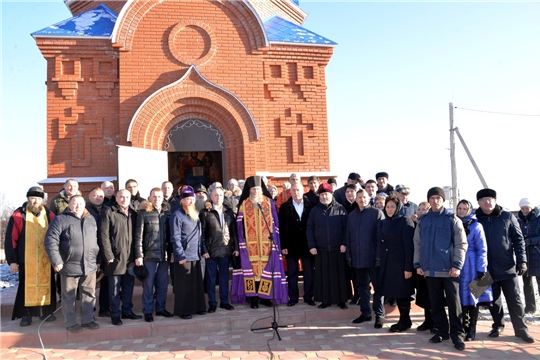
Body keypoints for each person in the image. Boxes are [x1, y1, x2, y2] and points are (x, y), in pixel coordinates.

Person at [475, 188, 534, 343]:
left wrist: (522, 261)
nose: (487, 202)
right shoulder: (475, 218)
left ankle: (521, 330)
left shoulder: (507, 216)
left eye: (490, 199)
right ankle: (497, 325)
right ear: (479, 203)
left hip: (507, 266)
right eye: (483, 200)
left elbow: (518, 240)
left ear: (495, 200)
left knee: (515, 299)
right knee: (493, 300)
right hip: (485, 269)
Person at [413, 187, 468, 351]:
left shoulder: (452, 219)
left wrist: (457, 265)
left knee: (454, 303)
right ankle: (441, 331)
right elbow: (417, 244)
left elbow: (461, 244)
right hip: (429, 270)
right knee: (435, 303)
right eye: (432, 198)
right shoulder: (423, 221)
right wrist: (418, 264)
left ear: (443, 200)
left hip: (449, 270)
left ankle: (457, 334)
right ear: (428, 200)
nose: (435, 201)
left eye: (438, 198)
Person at [231, 175, 288, 308]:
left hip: (266, 244)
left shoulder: (269, 202)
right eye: (253, 189)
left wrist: (275, 243)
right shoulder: (244, 204)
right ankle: (253, 298)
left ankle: (265, 297)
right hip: (250, 245)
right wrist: (242, 242)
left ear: (261, 189)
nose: (255, 191)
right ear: (249, 190)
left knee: (265, 270)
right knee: (252, 270)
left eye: (257, 189)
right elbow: (239, 225)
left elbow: (276, 224)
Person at [45, 195, 100, 332]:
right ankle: (70, 322)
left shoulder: (90, 219)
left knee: (89, 294)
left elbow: (95, 240)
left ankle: (88, 320)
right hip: (69, 265)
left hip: (89, 265)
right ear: (69, 205)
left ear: (84, 205)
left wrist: (96, 259)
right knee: (69, 296)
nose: (78, 206)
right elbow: (50, 241)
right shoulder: (60, 219)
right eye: (74, 203)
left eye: (81, 203)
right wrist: (56, 261)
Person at [5, 186, 57, 327]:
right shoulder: (18, 215)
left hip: (46, 260)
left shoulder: (49, 215)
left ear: (43, 200)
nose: (35, 201)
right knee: (26, 288)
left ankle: (46, 312)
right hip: (26, 260)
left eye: (39, 198)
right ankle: (26, 315)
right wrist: (12, 261)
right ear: (28, 198)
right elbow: (11, 239)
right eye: (33, 198)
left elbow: (55, 237)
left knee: (47, 286)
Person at [99, 189, 141, 326]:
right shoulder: (109, 212)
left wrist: (137, 255)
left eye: (127, 197)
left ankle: (127, 311)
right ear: (116, 198)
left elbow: (137, 236)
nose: (124, 199)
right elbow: (103, 236)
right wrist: (108, 255)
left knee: (128, 287)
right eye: (121, 197)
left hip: (130, 258)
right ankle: (115, 314)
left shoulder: (134, 214)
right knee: (115, 289)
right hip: (115, 258)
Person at [134, 188, 174, 322]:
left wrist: (172, 253)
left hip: (164, 256)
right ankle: (148, 311)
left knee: (162, 285)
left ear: (163, 197)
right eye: (154, 196)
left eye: (159, 196)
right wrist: (138, 255)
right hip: (149, 256)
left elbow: (171, 235)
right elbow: (138, 236)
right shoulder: (143, 213)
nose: (157, 199)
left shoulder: (167, 213)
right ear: (149, 198)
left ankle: (161, 309)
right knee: (148, 285)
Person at [346, 189, 385, 327]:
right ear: (356, 199)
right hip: (357, 258)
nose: (362, 200)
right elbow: (348, 237)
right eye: (359, 197)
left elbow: (381, 238)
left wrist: (379, 256)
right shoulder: (352, 215)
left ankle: (379, 315)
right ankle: (365, 313)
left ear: (369, 198)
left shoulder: (376, 213)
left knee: (378, 287)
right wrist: (349, 255)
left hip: (373, 258)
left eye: (364, 197)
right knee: (362, 287)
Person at [307, 183, 349, 309]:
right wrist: (312, 245)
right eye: (322, 194)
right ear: (320, 196)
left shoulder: (340, 209)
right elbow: (309, 229)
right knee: (323, 277)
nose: (325, 196)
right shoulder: (314, 211)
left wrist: (344, 243)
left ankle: (341, 300)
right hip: (321, 249)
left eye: (327, 194)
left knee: (340, 276)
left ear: (331, 194)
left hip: (338, 249)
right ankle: (325, 300)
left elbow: (346, 228)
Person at [456, 199, 492, 341]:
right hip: (458, 264)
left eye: (465, 208)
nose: (462, 211)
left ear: (469, 210)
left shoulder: (476, 226)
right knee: (460, 297)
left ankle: (472, 329)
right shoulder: (453, 223)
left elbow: (482, 248)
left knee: (473, 297)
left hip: (472, 264)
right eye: (459, 208)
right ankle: (463, 327)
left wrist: (481, 267)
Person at [379, 195, 415, 332]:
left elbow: (409, 247)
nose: (389, 209)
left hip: (401, 264)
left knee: (403, 293)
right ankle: (405, 320)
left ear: (398, 207)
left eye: (392, 207)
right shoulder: (384, 222)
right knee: (396, 292)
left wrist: (408, 268)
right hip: (389, 264)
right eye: (387, 207)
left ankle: (404, 320)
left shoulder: (405, 221)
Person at [170, 185, 208, 319]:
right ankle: (184, 310)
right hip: (184, 255)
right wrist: (180, 254)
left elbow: (199, 235)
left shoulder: (195, 214)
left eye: (192, 199)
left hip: (196, 254)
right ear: (182, 200)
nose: (191, 201)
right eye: (188, 199)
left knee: (196, 284)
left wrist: (203, 250)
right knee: (184, 285)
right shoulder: (177, 215)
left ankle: (198, 307)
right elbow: (175, 237)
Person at [199, 187, 238, 313]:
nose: (218, 198)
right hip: (211, 251)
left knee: (224, 277)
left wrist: (236, 247)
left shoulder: (229, 212)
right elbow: (202, 233)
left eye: (221, 195)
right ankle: (212, 303)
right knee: (210, 279)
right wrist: (204, 250)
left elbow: (234, 232)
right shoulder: (205, 212)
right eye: (216, 195)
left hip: (226, 249)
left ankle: (224, 301)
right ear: (211, 197)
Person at [279, 183, 315, 307]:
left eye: (298, 190)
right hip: (291, 245)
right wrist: (283, 246)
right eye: (293, 190)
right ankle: (293, 297)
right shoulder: (284, 207)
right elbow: (282, 228)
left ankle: (309, 296)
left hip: (307, 244)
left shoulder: (311, 205)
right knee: (292, 273)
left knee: (309, 272)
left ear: (303, 190)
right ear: (290, 192)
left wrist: (313, 244)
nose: (296, 192)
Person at [85, 187, 110, 317]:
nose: (98, 198)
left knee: (105, 283)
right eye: (95, 195)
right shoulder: (85, 212)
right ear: (89, 197)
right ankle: (89, 310)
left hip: (105, 252)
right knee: (90, 285)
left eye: (101, 196)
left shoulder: (107, 210)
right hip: (90, 253)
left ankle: (104, 309)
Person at [411, 201, 434, 332]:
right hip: (420, 264)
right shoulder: (417, 224)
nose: (420, 211)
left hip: (431, 265)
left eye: (423, 209)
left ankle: (435, 321)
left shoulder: (429, 224)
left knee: (432, 295)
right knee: (423, 294)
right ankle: (427, 320)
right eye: (419, 209)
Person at [517, 198, 540, 314]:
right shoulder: (518, 220)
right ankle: (530, 307)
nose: (525, 210)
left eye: (527, 208)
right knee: (527, 283)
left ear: (531, 208)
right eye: (523, 208)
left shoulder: (538, 219)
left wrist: (530, 241)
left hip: (537, 255)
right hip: (524, 256)